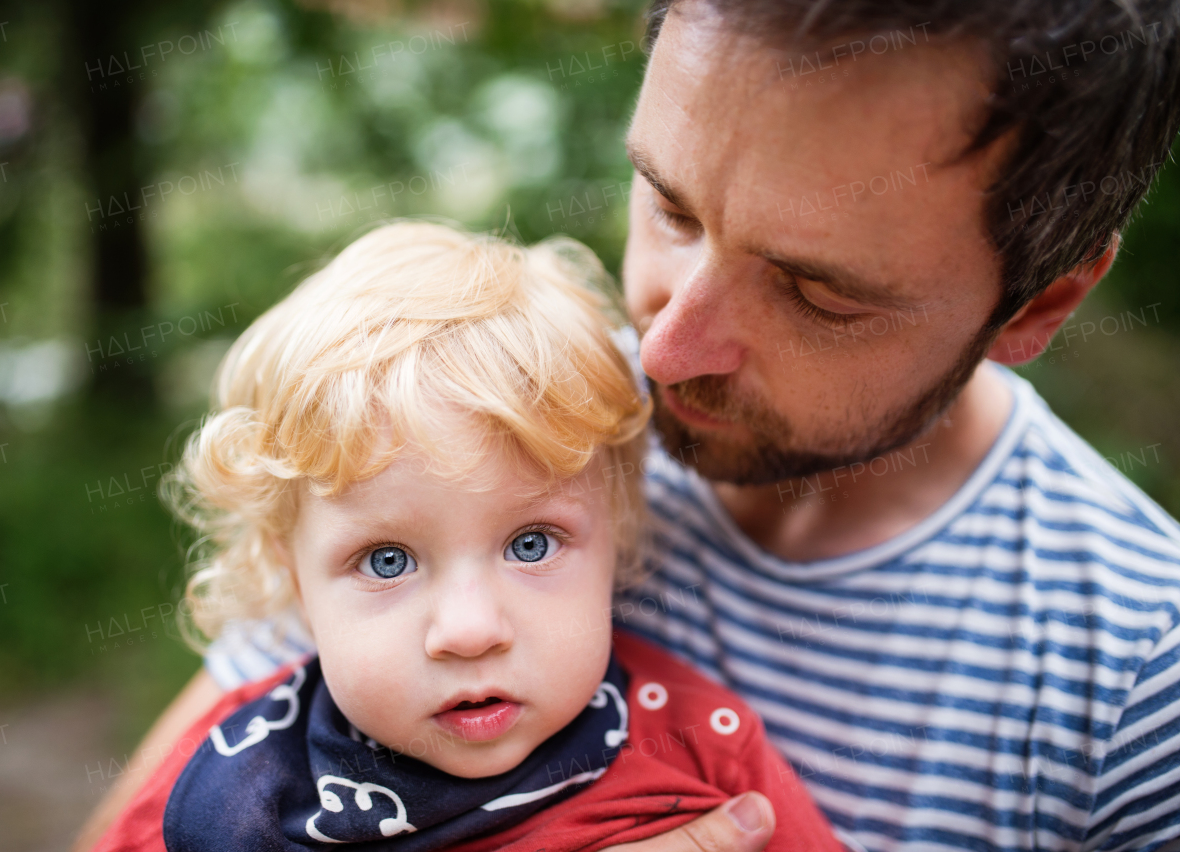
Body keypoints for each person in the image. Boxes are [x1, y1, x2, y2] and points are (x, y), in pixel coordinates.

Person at [74, 1, 1180, 851]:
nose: (656, 355)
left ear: (1035, 304)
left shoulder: (1137, 687)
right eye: (669, 205)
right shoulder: (503, 427)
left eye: (816, 293)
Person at [87, 223, 843, 852]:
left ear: (614, 535)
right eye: (387, 560)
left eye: (532, 544)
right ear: (294, 583)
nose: (471, 630)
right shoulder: (235, 780)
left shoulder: (703, 750)